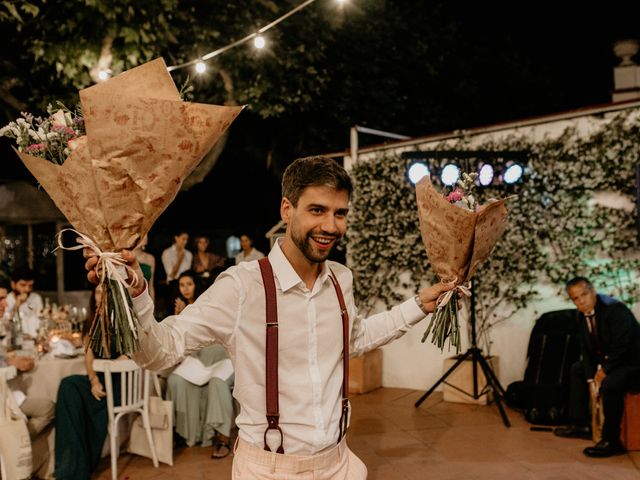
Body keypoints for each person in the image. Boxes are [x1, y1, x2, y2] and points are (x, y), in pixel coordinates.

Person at [85, 155, 453, 479]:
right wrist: (135, 295)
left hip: (339, 463)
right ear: (286, 209)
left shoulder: (342, 279)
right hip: (268, 470)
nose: (331, 226)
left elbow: (354, 338)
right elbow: (159, 352)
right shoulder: (241, 286)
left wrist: (420, 304)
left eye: (340, 213)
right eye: (317, 210)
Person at [553, 277, 640, 457]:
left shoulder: (615, 310)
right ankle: (580, 424)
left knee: (610, 383)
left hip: (633, 363)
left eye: (584, 294)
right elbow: (586, 348)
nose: (581, 301)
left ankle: (611, 440)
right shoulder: (581, 314)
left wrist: (603, 371)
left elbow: (623, 346)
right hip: (613, 361)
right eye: (576, 298)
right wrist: (590, 376)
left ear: (593, 291)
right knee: (577, 369)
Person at [54, 285, 128, 480]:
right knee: (68, 386)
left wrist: (106, 368)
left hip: (120, 381)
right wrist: (94, 380)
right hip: (100, 379)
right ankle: (69, 469)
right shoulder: (92, 321)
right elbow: (89, 357)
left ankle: (79, 465)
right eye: (97, 292)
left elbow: (130, 356)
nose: (100, 295)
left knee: (87, 401)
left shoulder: (123, 320)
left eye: (105, 291)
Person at [166, 270, 235, 458]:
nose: (185, 288)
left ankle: (223, 437)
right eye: (182, 285)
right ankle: (183, 432)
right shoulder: (180, 309)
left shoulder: (208, 304)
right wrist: (178, 317)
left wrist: (187, 314)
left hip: (222, 356)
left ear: (196, 285)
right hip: (199, 358)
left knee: (217, 383)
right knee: (175, 380)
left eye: (189, 284)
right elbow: (179, 340)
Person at [0, 278, 55, 438]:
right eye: (0, 299)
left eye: (4, 298)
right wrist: (10, 363)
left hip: (8, 389)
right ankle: (17, 444)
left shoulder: (3, 322)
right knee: (47, 408)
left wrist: (9, 359)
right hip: (3, 396)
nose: (6, 304)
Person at [5, 267, 44, 339]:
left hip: (34, 340)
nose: (27, 289)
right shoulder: (6, 300)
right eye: (23, 285)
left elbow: (41, 321)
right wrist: (16, 305)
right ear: (13, 284)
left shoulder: (36, 298)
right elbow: (6, 325)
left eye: (30, 286)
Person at [135, 234, 155, 300]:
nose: (146, 237)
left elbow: (151, 286)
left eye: (146, 234)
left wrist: (152, 306)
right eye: (143, 234)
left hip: (146, 299)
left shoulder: (150, 258)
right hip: (130, 299)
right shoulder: (124, 257)